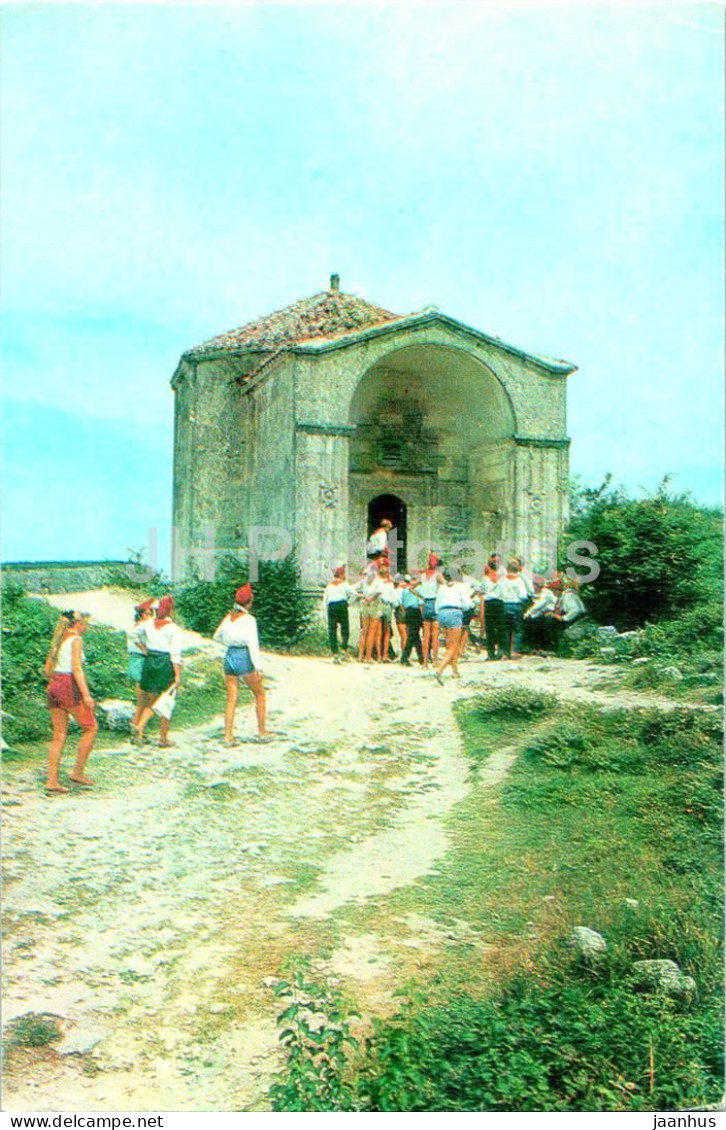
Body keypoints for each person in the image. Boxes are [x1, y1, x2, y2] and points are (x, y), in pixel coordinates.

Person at [44, 610, 98, 793]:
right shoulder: (76, 640)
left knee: (59, 735)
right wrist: (86, 695)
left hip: (54, 685)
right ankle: (77, 772)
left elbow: (47, 670)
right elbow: (77, 669)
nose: (87, 628)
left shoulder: (58, 639)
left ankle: (52, 780)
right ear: (78, 624)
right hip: (68, 684)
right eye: (86, 624)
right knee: (90, 727)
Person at [213, 584, 268, 745]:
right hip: (244, 656)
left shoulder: (228, 618)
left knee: (231, 698)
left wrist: (229, 641)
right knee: (259, 693)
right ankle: (262, 730)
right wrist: (258, 666)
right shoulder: (250, 620)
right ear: (249, 602)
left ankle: (228, 736)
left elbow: (216, 636)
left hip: (230, 656)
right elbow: (253, 643)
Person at [132, 595, 182, 747]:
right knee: (166, 700)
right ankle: (163, 738)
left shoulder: (148, 624)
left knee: (153, 700)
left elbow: (132, 633)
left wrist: (142, 647)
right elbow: (175, 654)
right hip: (164, 663)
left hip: (150, 661)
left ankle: (139, 728)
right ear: (171, 611)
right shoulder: (174, 629)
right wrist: (177, 675)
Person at [433, 569, 469, 683]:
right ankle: (440, 669)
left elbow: (437, 604)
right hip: (454, 612)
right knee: (454, 646)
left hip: (442, 613)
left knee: (449, 643)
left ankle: (455, 670)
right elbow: (467, 603)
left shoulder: (442, 587)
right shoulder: (461, 587)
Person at [411, 553, 444, 668]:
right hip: (434, 602)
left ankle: (425, 662)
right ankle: (435, 660)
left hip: (425, 603)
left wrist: (421, 596)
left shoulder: (423, 576)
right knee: (435, 635)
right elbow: (445, 585)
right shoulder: (438, 575)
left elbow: (411, 587)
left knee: (426, 635)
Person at [492, 560, 529, 659]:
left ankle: (504, 652)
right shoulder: (519, 580)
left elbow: (497, 594)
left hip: (504, 605)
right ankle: (515, 651)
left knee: (505, 629)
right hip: (517, 605)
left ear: (507, 569)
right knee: (518, 629)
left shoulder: (502, 580)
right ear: (517, 569)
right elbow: (523, 595)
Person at [127, 599, 155, 728]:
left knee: (142, 700)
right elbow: (132, 635)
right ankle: (137, 727)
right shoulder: (142, 626)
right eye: (148, 614)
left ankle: (137, 726)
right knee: (144, 699)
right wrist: (143, 648)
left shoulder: (138, 626)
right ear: (142, 614)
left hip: (137, 660)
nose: (151, 616)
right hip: (140, 661)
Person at [322, 566, 356, 663]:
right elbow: (355, 594)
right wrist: (349, 603)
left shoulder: (329, 586)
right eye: (344, 574)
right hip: (341, 605)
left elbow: (325, 600)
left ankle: (335, 653)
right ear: (341, 575)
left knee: (332, 630)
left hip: (331, 607)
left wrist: (326, 611)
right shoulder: (344, 585)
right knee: (345, 627)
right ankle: (344, 647)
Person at [356, 569, 385, 662]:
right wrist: (371, 598)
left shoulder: (363, 581)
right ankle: (368, 656)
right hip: (374, 604)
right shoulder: (378, 581)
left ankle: (360, 656)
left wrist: (363, 597)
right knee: (371, 632)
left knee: (364, 631)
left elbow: (355, 589)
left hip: (365, 604)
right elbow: (379, 592)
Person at [523, 578, 558, 652]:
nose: (533, 587)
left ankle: (545, 648)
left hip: (551, 612)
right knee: (532, 622)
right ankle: (534, 647)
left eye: (534, 585)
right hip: (542, 613)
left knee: (539, 625)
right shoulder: (534, 593)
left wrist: (528, 613)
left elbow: (539, 605)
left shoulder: (546, 593)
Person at [481, 555, 504, 661]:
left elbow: (483, 592)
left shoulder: (485, 578)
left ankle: (491, 653)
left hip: (490, 604)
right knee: (499, 627)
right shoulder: (502, 578)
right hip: (499, 603)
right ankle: (499, 651)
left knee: (490, 628)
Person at [399, 575, 424, 666]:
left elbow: (401, 603)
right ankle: (405, 657)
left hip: (409, 612)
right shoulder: (417, 591)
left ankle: (421, 657)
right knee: (413, 636)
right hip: (415, 612)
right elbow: (421, 604)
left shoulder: (405, 591)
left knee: (415, 636)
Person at [393, 574, 408, 656]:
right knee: (404, 634)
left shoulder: (396, 590)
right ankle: (404, 653)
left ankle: (403, 653)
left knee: (403, 634)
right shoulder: (403, 590)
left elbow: (395, 603)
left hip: (399, 611)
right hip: (403, 610)